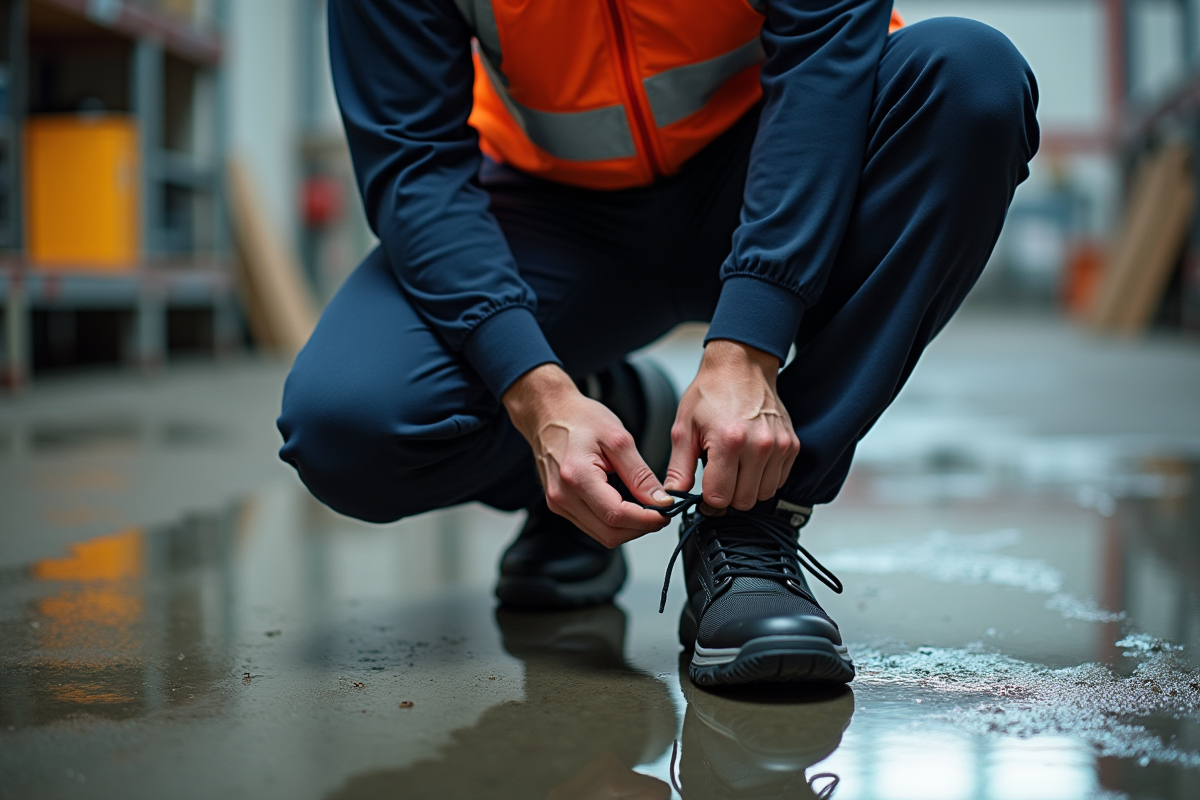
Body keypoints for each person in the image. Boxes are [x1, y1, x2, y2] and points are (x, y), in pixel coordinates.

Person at [278, 0, 1039, 686]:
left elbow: (827, 44)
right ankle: (612, 420)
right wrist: (538, 394)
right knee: (351, 427)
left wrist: (749, 342)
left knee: (970, 79)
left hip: (768, 162)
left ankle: (751, 518)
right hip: (552, 210)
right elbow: (414, 158)